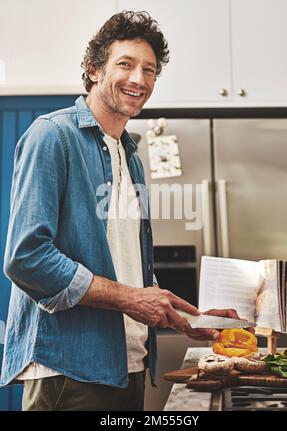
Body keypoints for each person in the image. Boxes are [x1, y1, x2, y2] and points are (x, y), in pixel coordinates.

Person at [0, 11, 239, 411]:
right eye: (125, 64)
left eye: (150, 70)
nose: (139, 80)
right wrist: (130, 299)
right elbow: (27, 258)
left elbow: (128, 271)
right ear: (94, 70)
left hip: (128, 366)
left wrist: (185, 317)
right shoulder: (52, 135)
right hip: (70, 371)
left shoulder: (131, 156)